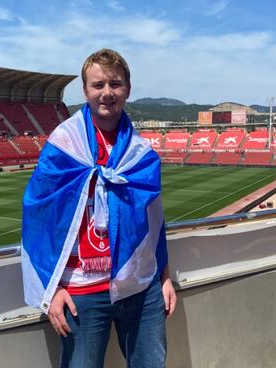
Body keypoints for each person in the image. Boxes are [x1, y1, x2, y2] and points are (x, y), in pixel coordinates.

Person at [22, 48, 177, 368]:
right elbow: (38, 215)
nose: (107, 92)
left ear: (128, 89)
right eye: (98, 85)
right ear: (85, 91)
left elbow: (154, 222)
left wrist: (163, 276)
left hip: (140, 286)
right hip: (81, 291)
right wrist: (51, 290)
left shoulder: (140, 152)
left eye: (115, 84)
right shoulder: (64, 144)